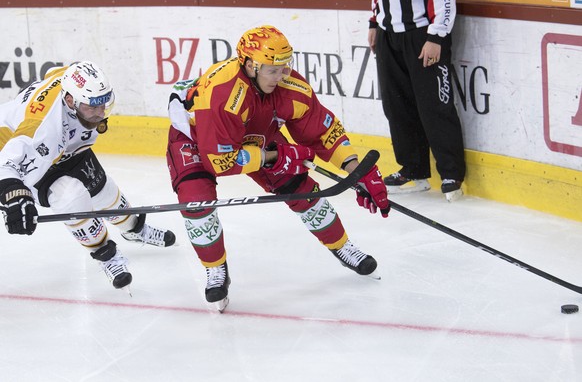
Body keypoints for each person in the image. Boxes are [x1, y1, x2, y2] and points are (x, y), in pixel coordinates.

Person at [167, 25, 390, 311]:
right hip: (198, 140)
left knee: (300, 189)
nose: (283, 75)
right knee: (197, 203)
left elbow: (322, 130)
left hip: (255, 136)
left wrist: (357, 171)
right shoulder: (223, 96)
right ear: (250, 65)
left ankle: (342, 245)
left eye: (286, 67)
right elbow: (220, 162)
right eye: (273, 70)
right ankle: (215, 269)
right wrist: (273, 156)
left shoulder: (286, 84)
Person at [0, 61, 176, 291]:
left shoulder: (73, 81)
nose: (100, 113)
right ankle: (106, 254)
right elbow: (6, 164)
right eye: (92, 108)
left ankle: (133, 229)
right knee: (71, 198)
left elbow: (54, 73)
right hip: (27, 155)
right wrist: (14, 195)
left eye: (104, 105)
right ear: (70, 101)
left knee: (104, 192)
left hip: (66, 146)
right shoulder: (41, 129)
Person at [368, 0, 466, 201]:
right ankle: (414, 169)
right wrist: (374, 22)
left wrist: (437, 36)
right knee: (396, 105)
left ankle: (451, 174)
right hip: (388, 34)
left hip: (423, 35)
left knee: (435, 106)